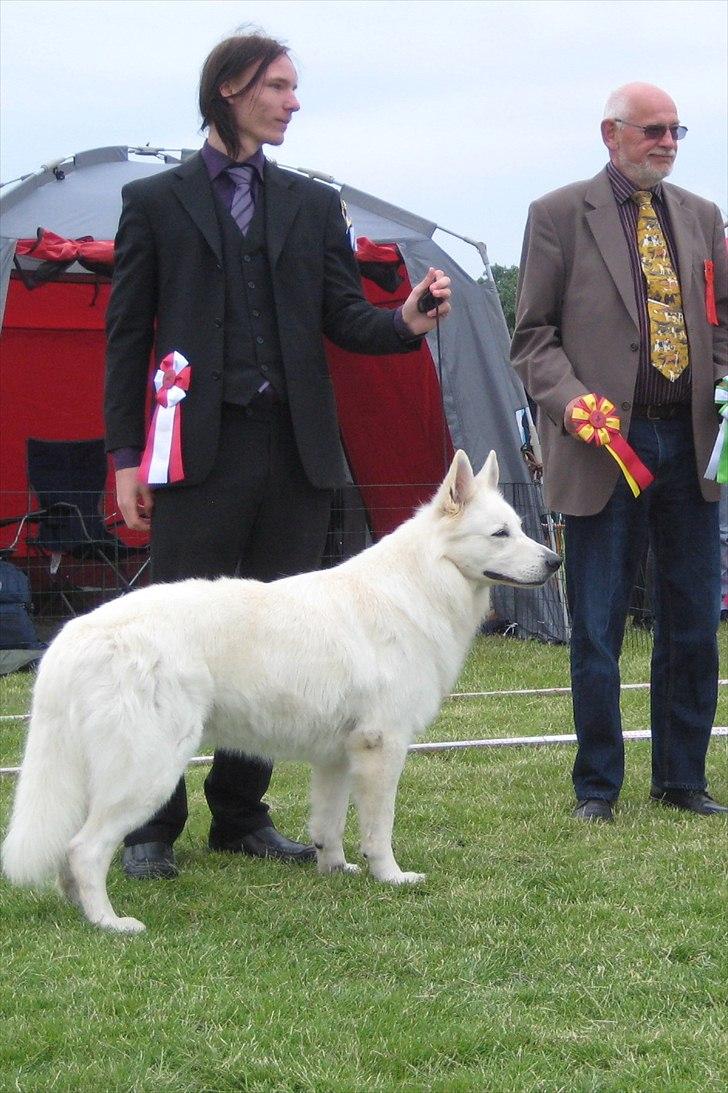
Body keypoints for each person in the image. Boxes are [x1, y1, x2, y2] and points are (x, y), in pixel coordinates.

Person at [104, 31, 452, 878]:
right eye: (279, 86)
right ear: (230, 88)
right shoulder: (153, 202)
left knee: (277, 644)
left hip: (298, 456)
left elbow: (344, 315)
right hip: (197, 455)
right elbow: (126, 337)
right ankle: (151, 826)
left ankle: (240, 815)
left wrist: (404, 320)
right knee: (175, 639)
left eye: (294, 88)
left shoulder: (311, 204)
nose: (294, 102)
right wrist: (124, 456)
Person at [511, 82, 727, 822]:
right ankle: (597, 786)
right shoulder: (557, 215)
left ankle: (682, 778)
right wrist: (572, 402)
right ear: (611, 133)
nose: (667, 142)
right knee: (598, 625)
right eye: (653, 130)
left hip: (690, 443)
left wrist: (722, 382)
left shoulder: (703, 216)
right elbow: (532, 338)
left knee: (692, 621)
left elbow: (721, 322)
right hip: (602, 446)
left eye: (676, 131)